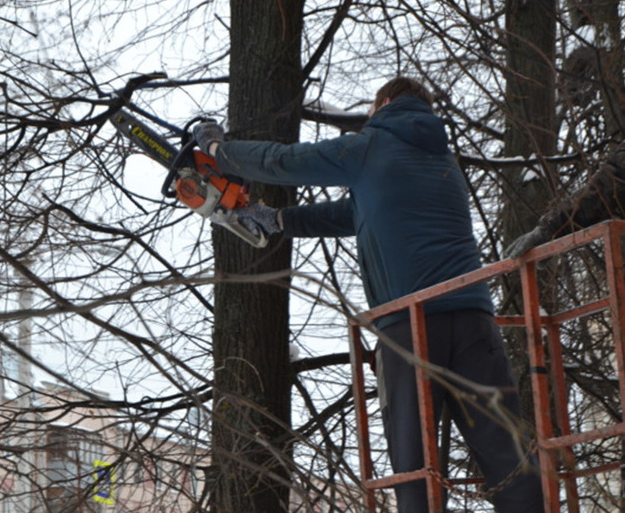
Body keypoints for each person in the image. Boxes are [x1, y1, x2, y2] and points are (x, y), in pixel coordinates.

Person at [193, 77, 545, 512]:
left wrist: (218, 152)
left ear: (385, 103)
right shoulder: (443, 161)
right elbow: (354, 212)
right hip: (474, 319)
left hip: (410, 325)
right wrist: (279, 219)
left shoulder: (371, 145)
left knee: (414, 468)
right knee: (507, 455)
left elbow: (285, 161)